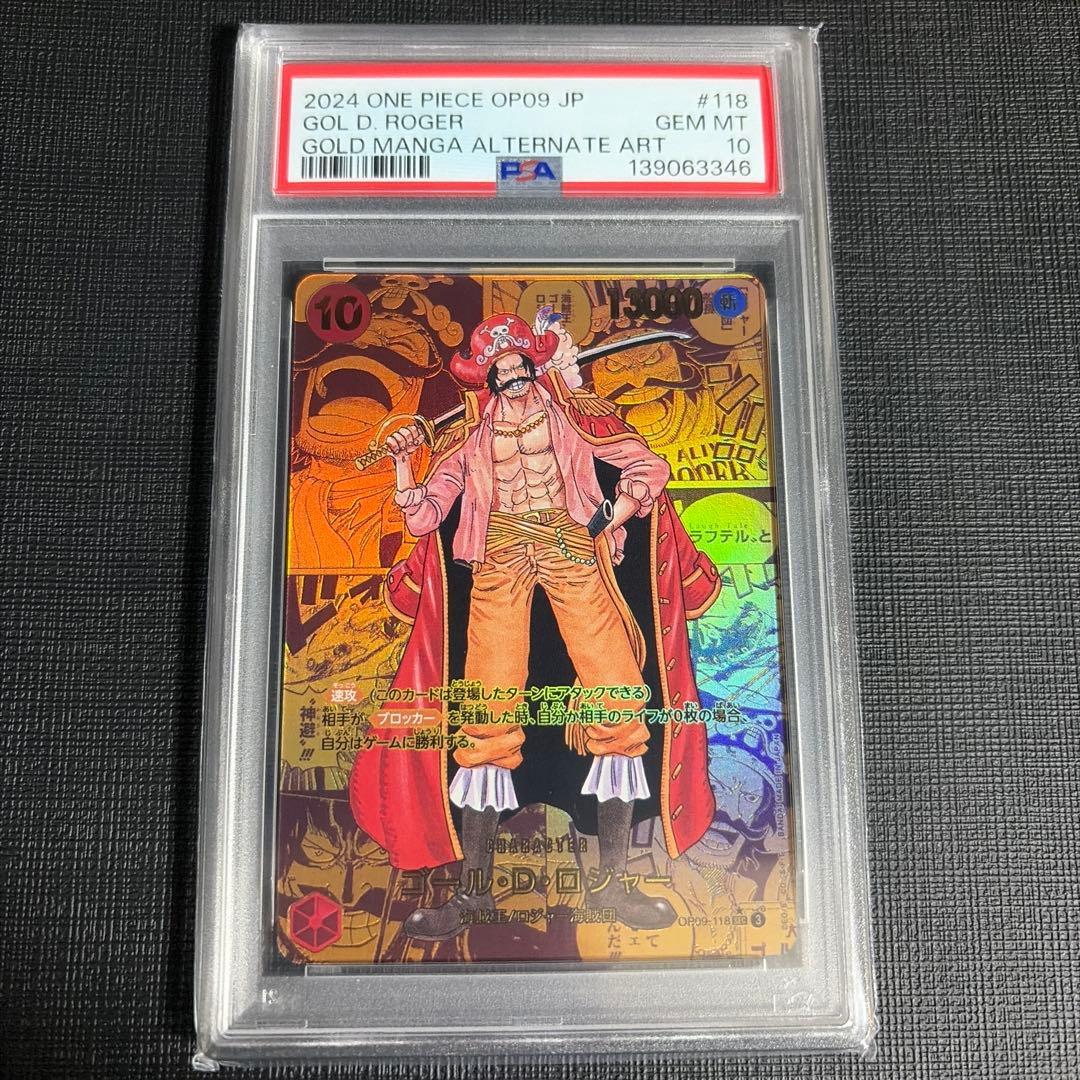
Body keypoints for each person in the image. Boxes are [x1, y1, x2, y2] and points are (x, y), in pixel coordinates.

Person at [349, 311, 722, 941]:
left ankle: (612, 884)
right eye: (501, 368)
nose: (513, 375)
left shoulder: (576, 416)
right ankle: (473, 893)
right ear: (487, 377)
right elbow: (423, 518)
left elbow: (647, 466)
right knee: (486, 713)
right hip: (497, 556)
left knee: (618, 697)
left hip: (571, 546)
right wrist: (406, 467)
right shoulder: (466, 439)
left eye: (520, 363)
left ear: (533, 365)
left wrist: (619, 509)